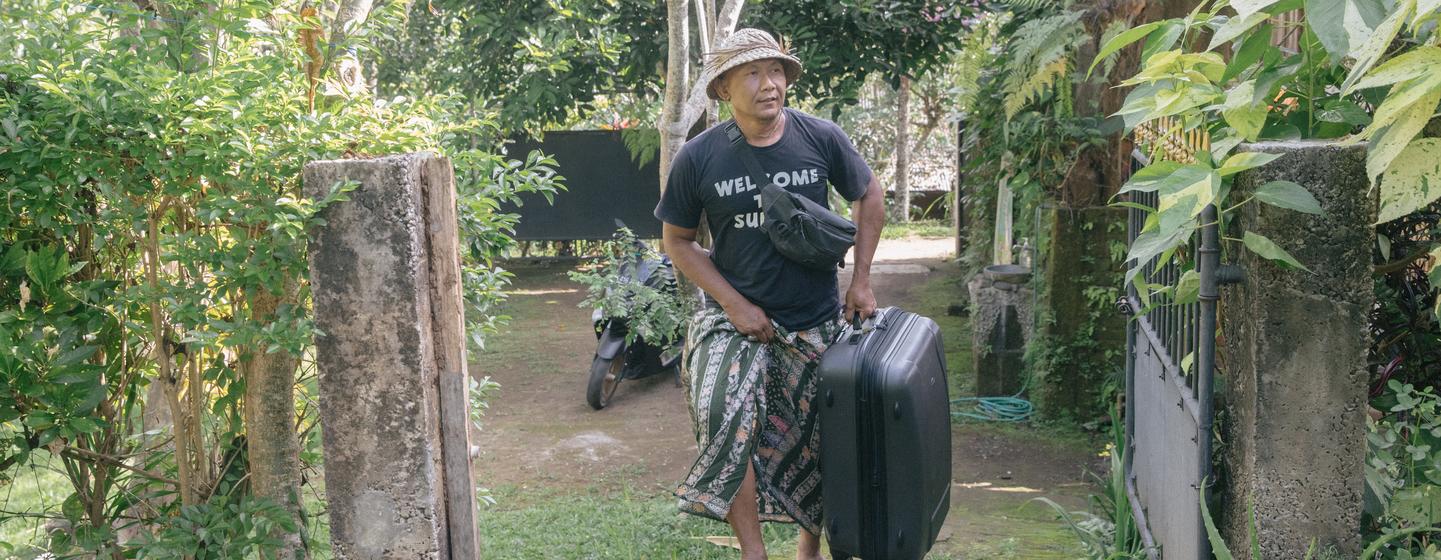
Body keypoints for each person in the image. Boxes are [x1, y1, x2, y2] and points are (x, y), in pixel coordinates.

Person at [654, 28, 885, 560]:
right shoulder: (699, 157)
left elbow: (868, 193)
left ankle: (809, 548)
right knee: (721, 416)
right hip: (735, 319)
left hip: (816, 317)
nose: (769, 84)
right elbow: (678, 242)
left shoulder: (821, 137)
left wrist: (863, 279)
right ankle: (753, 552)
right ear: (723, 89)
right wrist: (734, 304)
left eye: (776, 71)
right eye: (753, 73)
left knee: (825, 436)